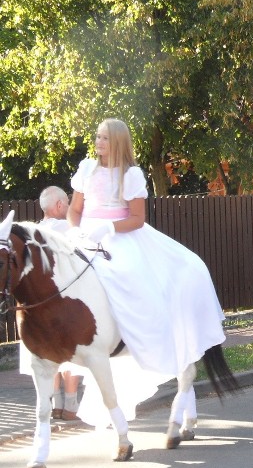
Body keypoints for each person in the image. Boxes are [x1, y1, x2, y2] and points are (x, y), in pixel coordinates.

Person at [66, 118, 226, 426]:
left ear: (118, 143)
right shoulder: (86, 169)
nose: (98, 142)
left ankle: (140, 337)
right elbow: (74, 209)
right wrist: (75, 232)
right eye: (97, 137)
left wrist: (108, 227)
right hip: (84, 237)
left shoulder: (131, 175)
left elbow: (137, 219)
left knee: (126, 278)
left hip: (121, 237)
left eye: (105, 138)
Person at [38, 186, 85, 420]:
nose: (68, 208)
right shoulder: (64, 228)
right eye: (66, 203)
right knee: (69, 351)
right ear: (58, 206)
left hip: (41, 304)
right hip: (65, 298)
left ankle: (55, 403)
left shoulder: (36, 231)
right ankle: (70, 405)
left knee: (49, 354)